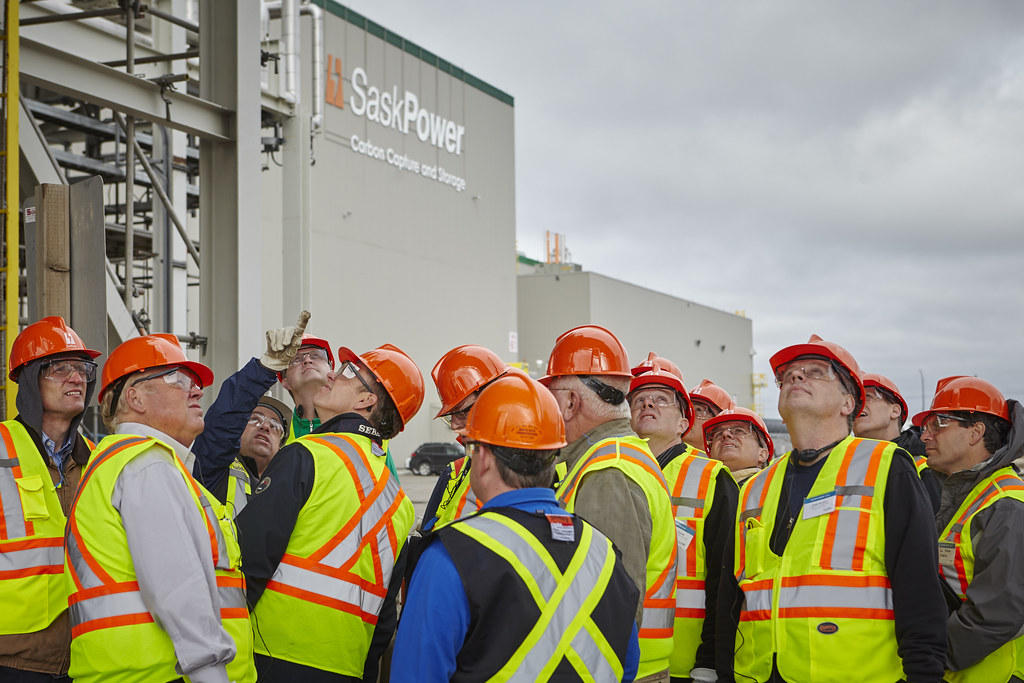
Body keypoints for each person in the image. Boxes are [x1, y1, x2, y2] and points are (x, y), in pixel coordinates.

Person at [718, 334, 946, 682]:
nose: (796, 376)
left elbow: (920, 591)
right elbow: (730, 600)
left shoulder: (887, 467)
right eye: (787, 376)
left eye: (815, 372)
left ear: (847, 403)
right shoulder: (754, 489)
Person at [393, 370, 642, 682]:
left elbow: (415, 674)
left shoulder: (450, 558)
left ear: (483, 458)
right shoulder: (605, 556)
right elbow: (626, 667)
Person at [68, 334, 255, 683]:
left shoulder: (119, 463)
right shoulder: (147, 464)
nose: (197, 391)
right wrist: (211, 674)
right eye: (179, 379)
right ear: (135, 397)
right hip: (161, 674)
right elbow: (179, 589)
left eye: (195, 382)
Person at [237, 344, 422, 682]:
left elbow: (247, 560)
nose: (333, 374)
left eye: (350, 372)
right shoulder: (400, 503)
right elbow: (384, 621)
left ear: (366, 400)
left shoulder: (306, 455)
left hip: (270, 658)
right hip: (348, 669)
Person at [542, 325, 676, 682]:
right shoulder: (612, 457)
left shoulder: (608, 471)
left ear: (571, 402)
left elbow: (609, 607)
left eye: (552, 395)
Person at [0, 317, 100, 682]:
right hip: (12, 658)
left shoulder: (97, 460)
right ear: (29, 380)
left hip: (83, 657)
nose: (77, 378)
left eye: (82, 369)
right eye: (60, 368)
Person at [628, 361, 736, 682]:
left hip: (685, 664)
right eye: (639, 400)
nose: (647, 404)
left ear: (683, 423)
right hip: (620, 657)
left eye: (661, 399)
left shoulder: (712, 477)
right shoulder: (617, 469)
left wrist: (710, 661)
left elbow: (725, 579)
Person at [913, 376, 1024, 681]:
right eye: (926, 427)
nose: (925, 436)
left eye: (938, 424)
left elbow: (997, 614)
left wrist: (928, 657)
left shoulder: (1007, 505)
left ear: (976, 432)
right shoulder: (965, 495)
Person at [192, 313, 308, 512]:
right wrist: (263, 370)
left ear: (281, 446)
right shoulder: (212, 469)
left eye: (275, 425)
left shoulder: (288, 492)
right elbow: (224, 421)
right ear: (237, 428)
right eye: (255, 418)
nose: (265, 426)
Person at [420, 344, 508, 531]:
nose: (453, 425)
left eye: (461, 412)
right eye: (450, 416)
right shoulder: (455, 472)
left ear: (495, 399)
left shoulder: (534, 473)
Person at [278, 332, 335, 440]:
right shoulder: (277, 434)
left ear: (331, 370)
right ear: (285, 381)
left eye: (316, 355)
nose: (307, 360)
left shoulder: (353, 425)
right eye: (296, 359)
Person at [702, 407, 774, 485]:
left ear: (762, 454)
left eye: (738, 431)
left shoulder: (772, 486)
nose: (725, 434)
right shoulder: (699, 486)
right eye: (718, 434)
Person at [683, 379, 734, 453]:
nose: (689, 415)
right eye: (687, 408)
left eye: (699, 410)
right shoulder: (667, 454)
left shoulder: (728, 459)